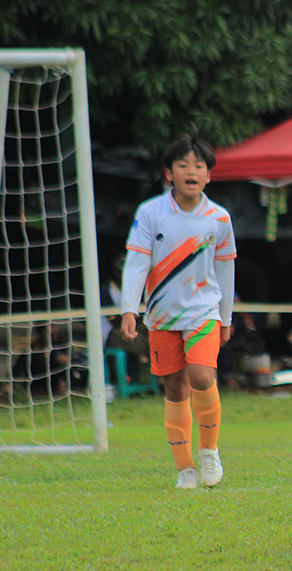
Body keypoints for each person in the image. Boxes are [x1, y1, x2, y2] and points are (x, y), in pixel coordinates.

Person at [120, 131, 236, 490]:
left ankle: (209, 451)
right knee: (174, 388)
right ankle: (185, 468)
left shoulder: (219, 218)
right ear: (169, 172)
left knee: (201, 376)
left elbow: (225, 270)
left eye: (198, 166)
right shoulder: (150, 213)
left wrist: (226, 318)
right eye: (183, 165)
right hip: (161, 315)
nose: (191, 171)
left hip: (204, 312)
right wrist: (129, 309)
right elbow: (137, 263)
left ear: (209, 175)